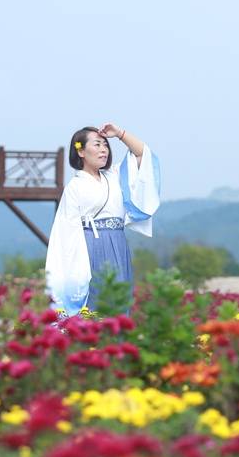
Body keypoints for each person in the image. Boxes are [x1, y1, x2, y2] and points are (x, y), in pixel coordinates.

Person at [45, 123, 160, 317]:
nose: (103, 150)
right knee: (95, 301)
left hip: (117, 242)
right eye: (97, 145)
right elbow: (65, 231)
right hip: (89, 247)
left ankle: (118, 343)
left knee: (119, 298)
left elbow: (142, 155)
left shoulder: (115, 175)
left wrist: (120, 134)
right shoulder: (75, 186)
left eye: (105, 145)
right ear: (81, 152)